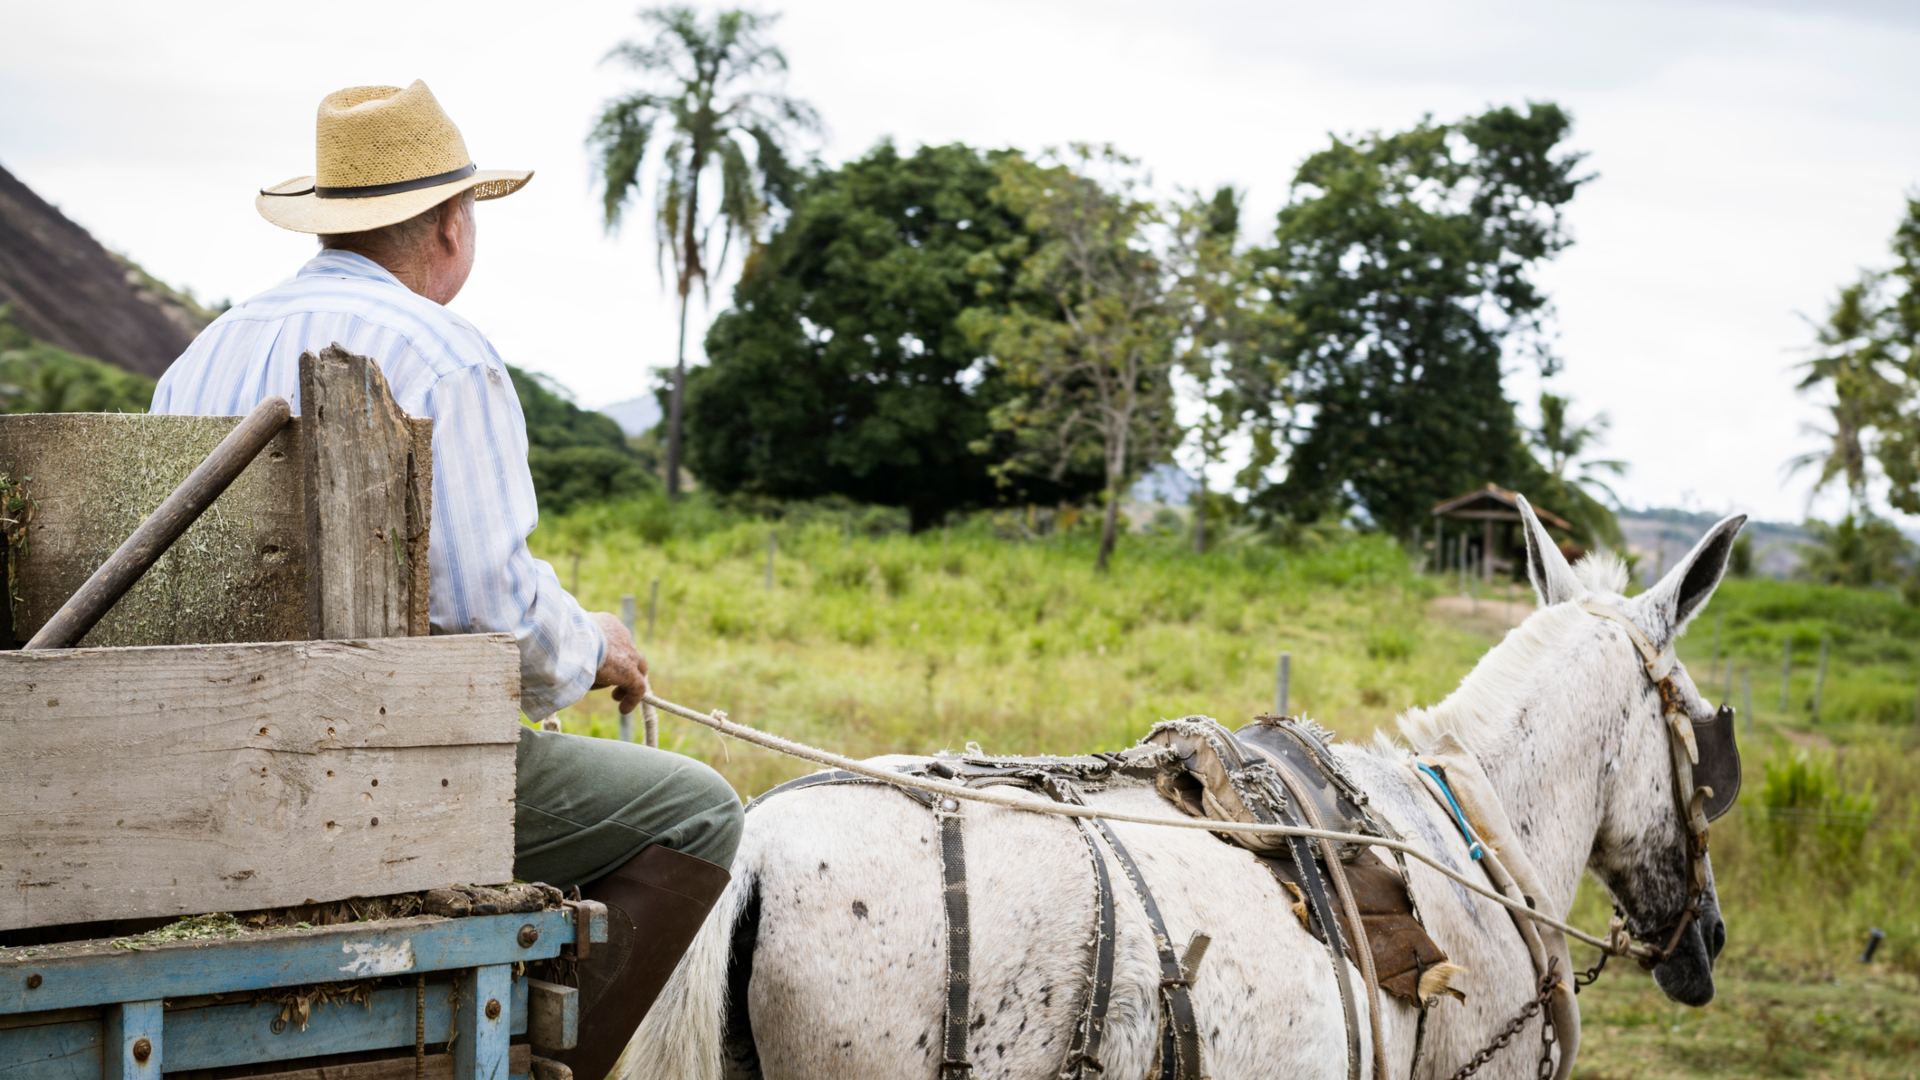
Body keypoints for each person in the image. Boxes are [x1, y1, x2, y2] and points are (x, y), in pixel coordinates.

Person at [151, 81, 742, 1080]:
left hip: (208, 762)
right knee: (701, 810)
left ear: (327, 220)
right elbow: (493, 614)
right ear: (452, 225)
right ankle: (544, 1061)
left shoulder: (198, 358)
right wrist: (594, 646)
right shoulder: (442, 355)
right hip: (376, 767)